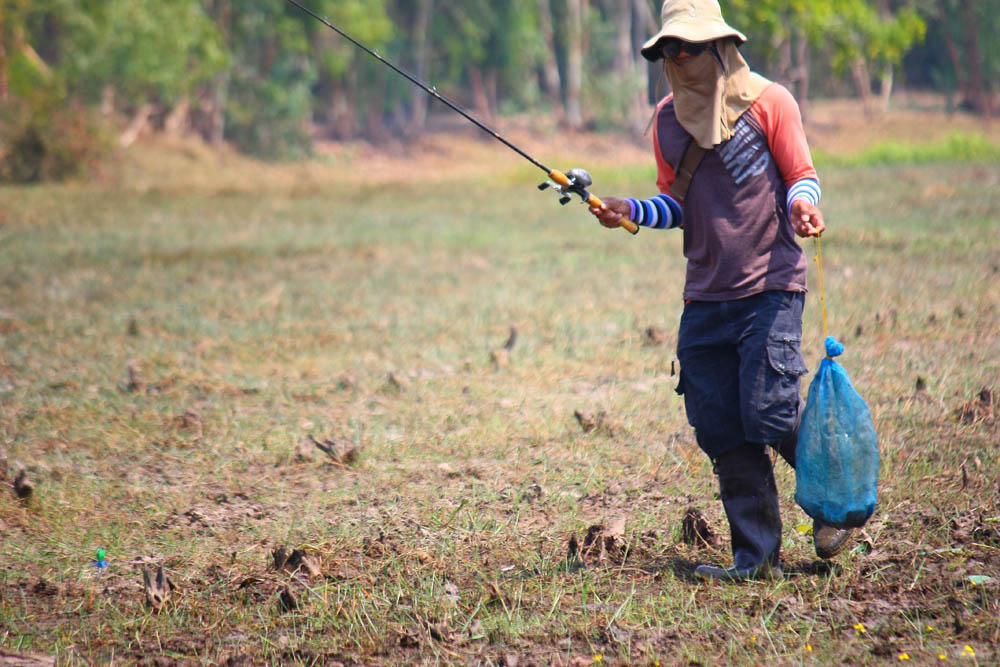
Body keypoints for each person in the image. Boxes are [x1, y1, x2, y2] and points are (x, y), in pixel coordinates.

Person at [589, 0, 854, 581]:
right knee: (720, 426)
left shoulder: (771, 102)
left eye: (688, 47)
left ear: (720, 47)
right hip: (704, 295)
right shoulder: (665, 121)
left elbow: (799, 176)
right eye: (667, 51)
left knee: (771, 409)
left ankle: (839, 500)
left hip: (769, 284)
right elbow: (675, 204)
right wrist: (627, 210)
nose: (678, 59)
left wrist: (804, 207)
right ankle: (756, 561)